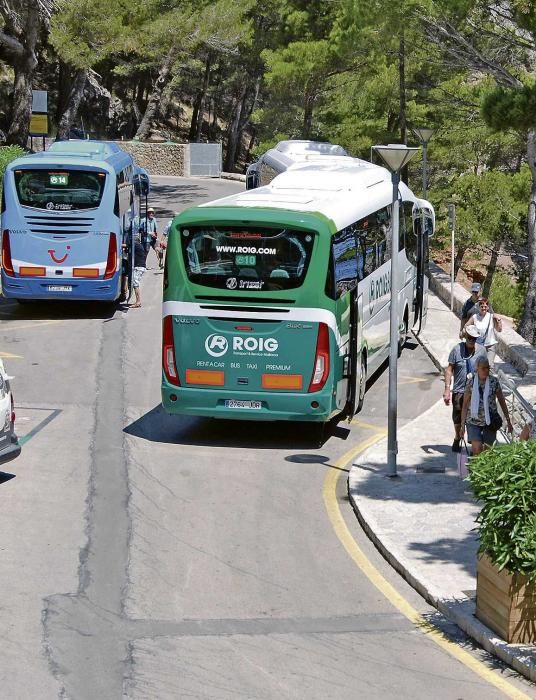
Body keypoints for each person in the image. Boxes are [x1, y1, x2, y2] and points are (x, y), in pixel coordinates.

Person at [444, 325, 487, 452]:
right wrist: (447, 389)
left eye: (474, 338)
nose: (471, 340)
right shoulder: (456, 350)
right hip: (459, 390)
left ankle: (474, 443)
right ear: (465, 337)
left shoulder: (482, 351)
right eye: (469, 337)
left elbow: (485, 370)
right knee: (457, 417)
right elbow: (449, 370)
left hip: (475, 391)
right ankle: (457, 436)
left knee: (474, 418)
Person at [460, 355, 513, 456]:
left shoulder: (494, 382)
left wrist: (508, 421)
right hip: (473, 421)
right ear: (477, 369)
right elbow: (465, 405)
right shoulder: (470, 383)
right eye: (483, 368)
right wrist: (462, 425)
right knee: (477, 448)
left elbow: (502, 401)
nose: (486, 370)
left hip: (490, 422)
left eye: (488, 367)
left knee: (487, 451)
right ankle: (475, 466)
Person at [464, 298, 502, 368]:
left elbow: (499, 330)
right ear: (479, 307)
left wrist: (499, 321)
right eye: (482, 307)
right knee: (477, 365)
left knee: (489, 366)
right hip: (479, 345)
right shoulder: (475, 317)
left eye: (485, 307)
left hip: (490, 345)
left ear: (488, 307)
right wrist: (469, 333)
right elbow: (466, 325)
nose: (483, 308)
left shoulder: (491, 316)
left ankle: (488, 378)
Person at [131, 236, 147, 308]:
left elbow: (127, 245)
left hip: (139, 267)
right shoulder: (139, 245)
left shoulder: (136, 245)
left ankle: (138, 302)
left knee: (135, 283)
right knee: (135, 283)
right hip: (140, 266)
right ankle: (138, 301)